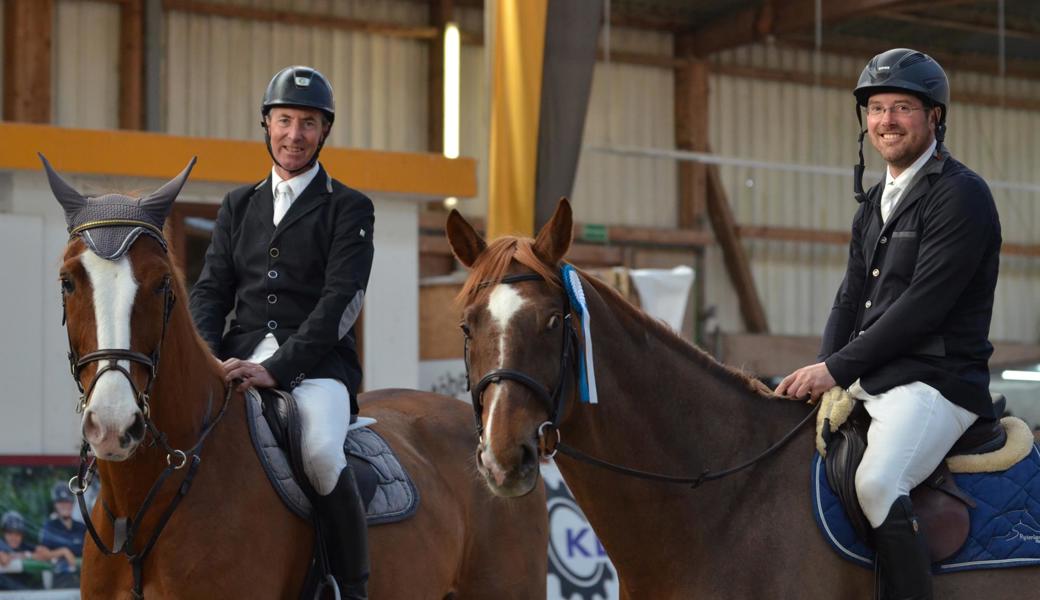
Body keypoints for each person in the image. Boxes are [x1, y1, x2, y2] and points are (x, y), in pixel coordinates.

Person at [775, 48, 1001, 599]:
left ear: (934, 117)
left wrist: (836, 369)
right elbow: (850, 296)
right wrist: (827, 371)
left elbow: (924, 305)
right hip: (875, 377)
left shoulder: (961, 194)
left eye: (902, 107)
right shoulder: (874, 202)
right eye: (876, 108)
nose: (887, 121)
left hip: (936, 383)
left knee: (877, 483)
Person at [189, 65, 373, 599]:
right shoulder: (236, 206)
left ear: (325, 132)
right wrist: (207, 360)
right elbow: (209, 293)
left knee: (318, 450)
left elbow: (341, 302)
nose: (295, 134)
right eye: (285, 120)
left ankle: (349, 585)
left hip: (317, 371)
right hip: (234, 363)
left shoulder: (349, 207)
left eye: (308, 123)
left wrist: (276, 370)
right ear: (266, 124)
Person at [36, 484, 86, 589]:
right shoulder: (50, 526)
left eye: (67, 502)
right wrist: (63, 551)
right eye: (61, 502)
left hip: (84, 579)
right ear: (55, 505)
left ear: (72, 504)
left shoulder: (82, 527)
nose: (65, 506)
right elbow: (41, 553)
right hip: (61, 581)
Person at [0, 511, 40, 590]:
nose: (14, 538)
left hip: (25, 591)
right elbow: (4, 559)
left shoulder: (24, 545)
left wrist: (28, 555)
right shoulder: (1, 544)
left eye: (17, 534)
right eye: (10, 533)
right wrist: (25, 555)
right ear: (4, 533)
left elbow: (43, 553)